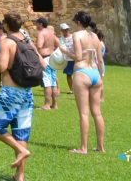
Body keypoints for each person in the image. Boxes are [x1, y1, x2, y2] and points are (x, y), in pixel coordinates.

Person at [0, 12, 41, 181]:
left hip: (10, 93)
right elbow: (42, 63)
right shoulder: (27, 41)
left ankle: (21, 150)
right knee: (21, 132)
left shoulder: (7, 42)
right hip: (27, 93)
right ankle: (20, 177)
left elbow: (2, 66)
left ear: (6, 26)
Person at [58, 11, 105, 155]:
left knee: (84, 113)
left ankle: (83, 148)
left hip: (82, 73)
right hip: (95, 74)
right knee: (97, 113)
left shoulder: (77, 35)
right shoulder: (95, 36)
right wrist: (101, 78)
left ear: (78, 22)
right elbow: (100, 60)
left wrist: (65, 51)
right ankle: (100, 147)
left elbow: (78, 57)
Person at [34, 17, 59, 110]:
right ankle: (55, 104)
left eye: (36, 23)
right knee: (53, 82)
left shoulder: (42, 33)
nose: (36, 25)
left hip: (44, 58)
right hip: (52, 58)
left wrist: (35, 47)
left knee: (47, 82)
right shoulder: (51, 33)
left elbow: (40, 45)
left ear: (40, 24)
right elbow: (59, 43)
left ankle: (47, 105)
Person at [59, 23, 74, 94]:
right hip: (67, 59)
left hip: (74, 58)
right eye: (64, 30)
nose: (66, 31)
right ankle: (72, 89)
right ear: (61, 30)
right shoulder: (61, 39)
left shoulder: (73, 37)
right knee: (69, 74)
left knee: (78, 74)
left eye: (67, 29)